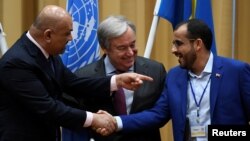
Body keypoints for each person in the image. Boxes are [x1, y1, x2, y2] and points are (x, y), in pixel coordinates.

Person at [0, 5, 153, 141]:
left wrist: (116, 81)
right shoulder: (17, 63)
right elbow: (48, 108)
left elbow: (73, 83)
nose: (71, 38)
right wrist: (94, 119)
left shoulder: (47, 52)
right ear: (48, 35)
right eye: (67, 33)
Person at [102, 19, 250, 141]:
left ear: (197, 44)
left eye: (178, 43)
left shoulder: (236, 72)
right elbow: (157, 114)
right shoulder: (174, 76)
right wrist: (115, 122)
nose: (173, 50)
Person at [62, 15, 166, 141]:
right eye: (122, 48)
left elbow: (161, 114)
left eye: (132, 45)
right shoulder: (84, 76)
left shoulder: (155, 70)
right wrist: (95, 121)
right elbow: (70, 117)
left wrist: (117, 123)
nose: (130, 52)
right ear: (105, 48)